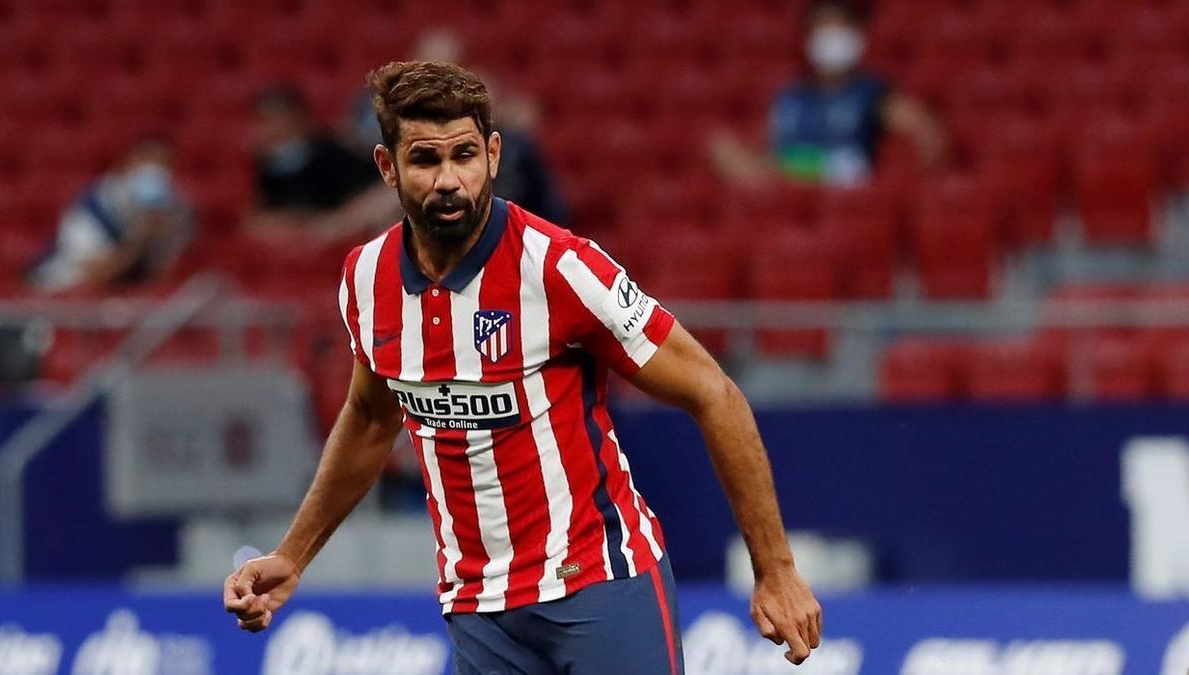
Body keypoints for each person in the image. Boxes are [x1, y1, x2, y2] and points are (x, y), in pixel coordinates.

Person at [223, 62, 822, 671]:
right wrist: (293, 555)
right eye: (426, 160)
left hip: (598, 587)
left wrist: (776, 571)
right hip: (479, 610)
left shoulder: (559, 267)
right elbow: (372, 419)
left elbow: (713, 393)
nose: (449, 180)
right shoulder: (365, 280)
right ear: (387, 168)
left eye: (464, 155)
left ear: (494, 153)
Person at [346, 28, 569, 225]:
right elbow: (353, 143)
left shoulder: (502, 130)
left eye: (443, 72)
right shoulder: (388, 111)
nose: (432, 84)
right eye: (423, 71)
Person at [712, 0, 946, 187]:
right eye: (823, 26)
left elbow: (926, 133)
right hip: (790, 206)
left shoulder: (870, 93)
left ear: (857, 33)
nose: (831, 35)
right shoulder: (790, 97)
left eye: (839, 26)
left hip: (847, 209)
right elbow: (767, 156)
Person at [28, 136, 194, 293]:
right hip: (63, 290)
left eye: (163, 164)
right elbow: (96, 275)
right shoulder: (97, 203)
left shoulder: (178, 213)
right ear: (129, 163)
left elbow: (161, 279)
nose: (154, 171)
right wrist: (140, 238)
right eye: (147, 161)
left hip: (130, 301)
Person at [245, 85, 387, 246]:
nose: (272, 128)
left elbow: (370, 191)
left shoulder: (333, 152)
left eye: (277, 119)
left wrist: (327, 221)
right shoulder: (266, 165)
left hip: (344, 227)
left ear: (297, 117)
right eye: (264, 120)